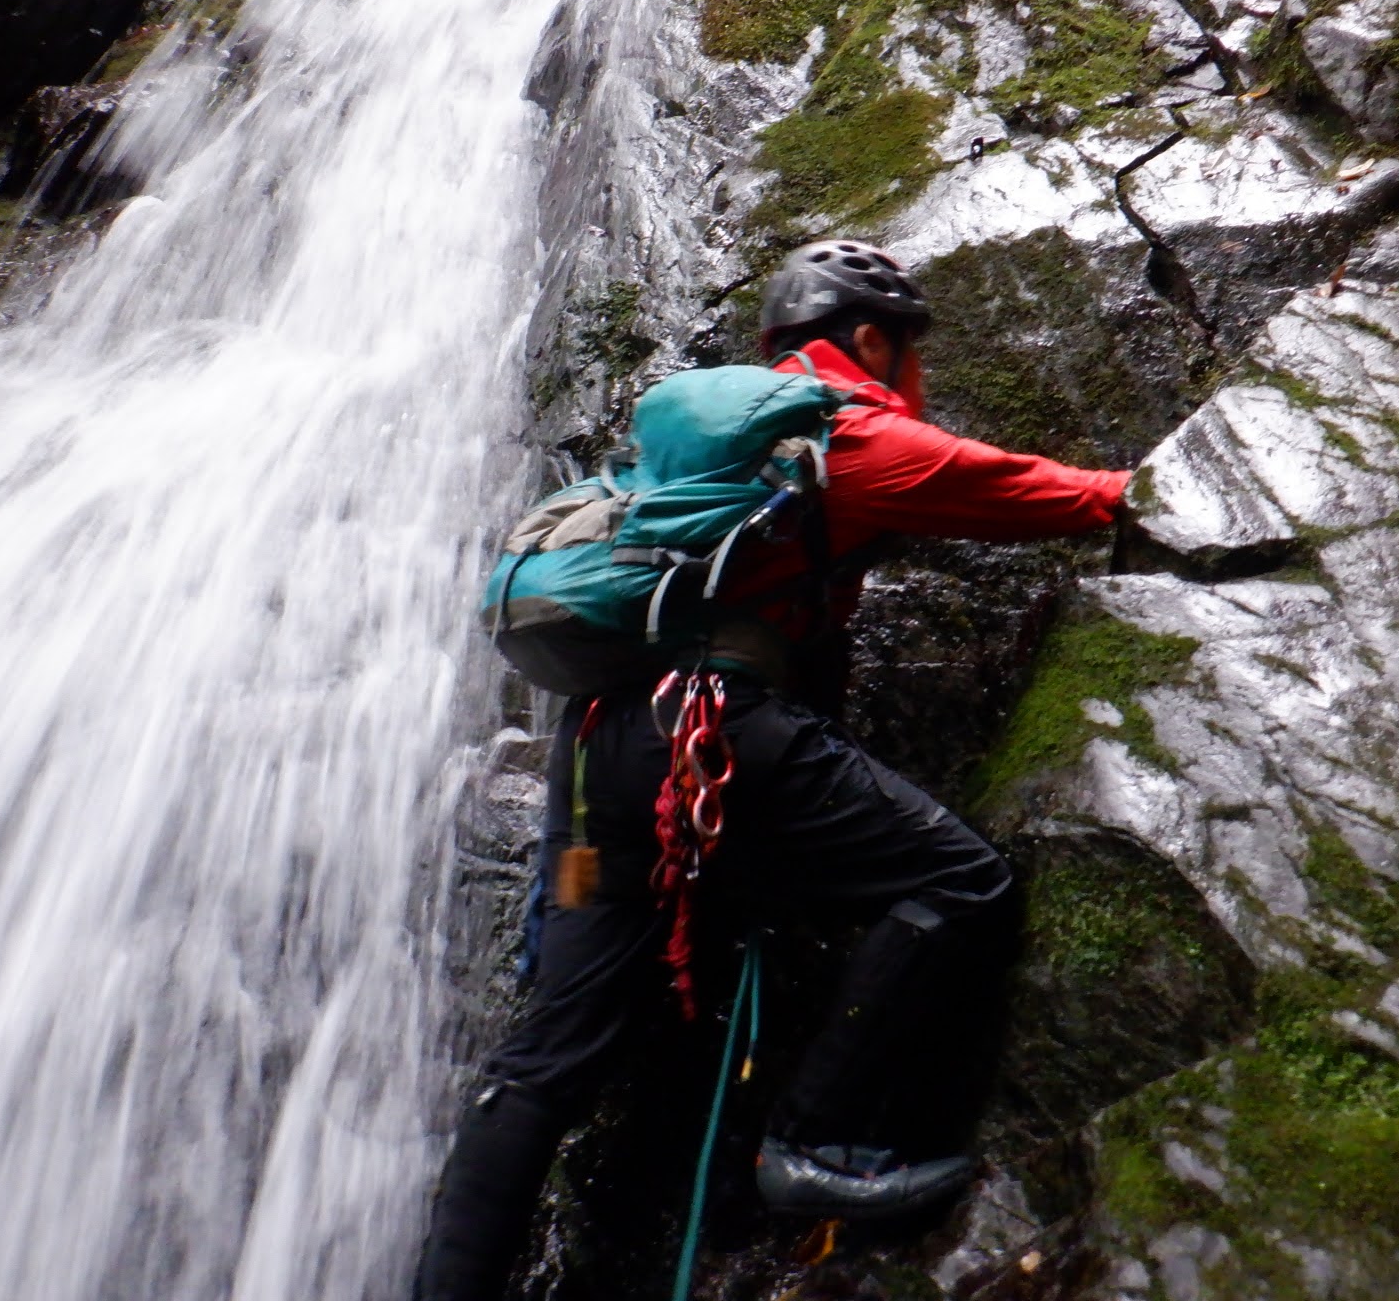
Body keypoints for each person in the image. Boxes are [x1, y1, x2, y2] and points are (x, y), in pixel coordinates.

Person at [416, 239, 1131, 1300]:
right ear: (870, 341)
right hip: (709, 734)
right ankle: (815, 1145)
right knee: (957, 882)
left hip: (595, 755)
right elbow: (1046, 492)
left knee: (549, 1060)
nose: (918, 379)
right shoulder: (843, 432)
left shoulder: (682, 458)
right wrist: (1144, 489)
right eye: (913, 355)